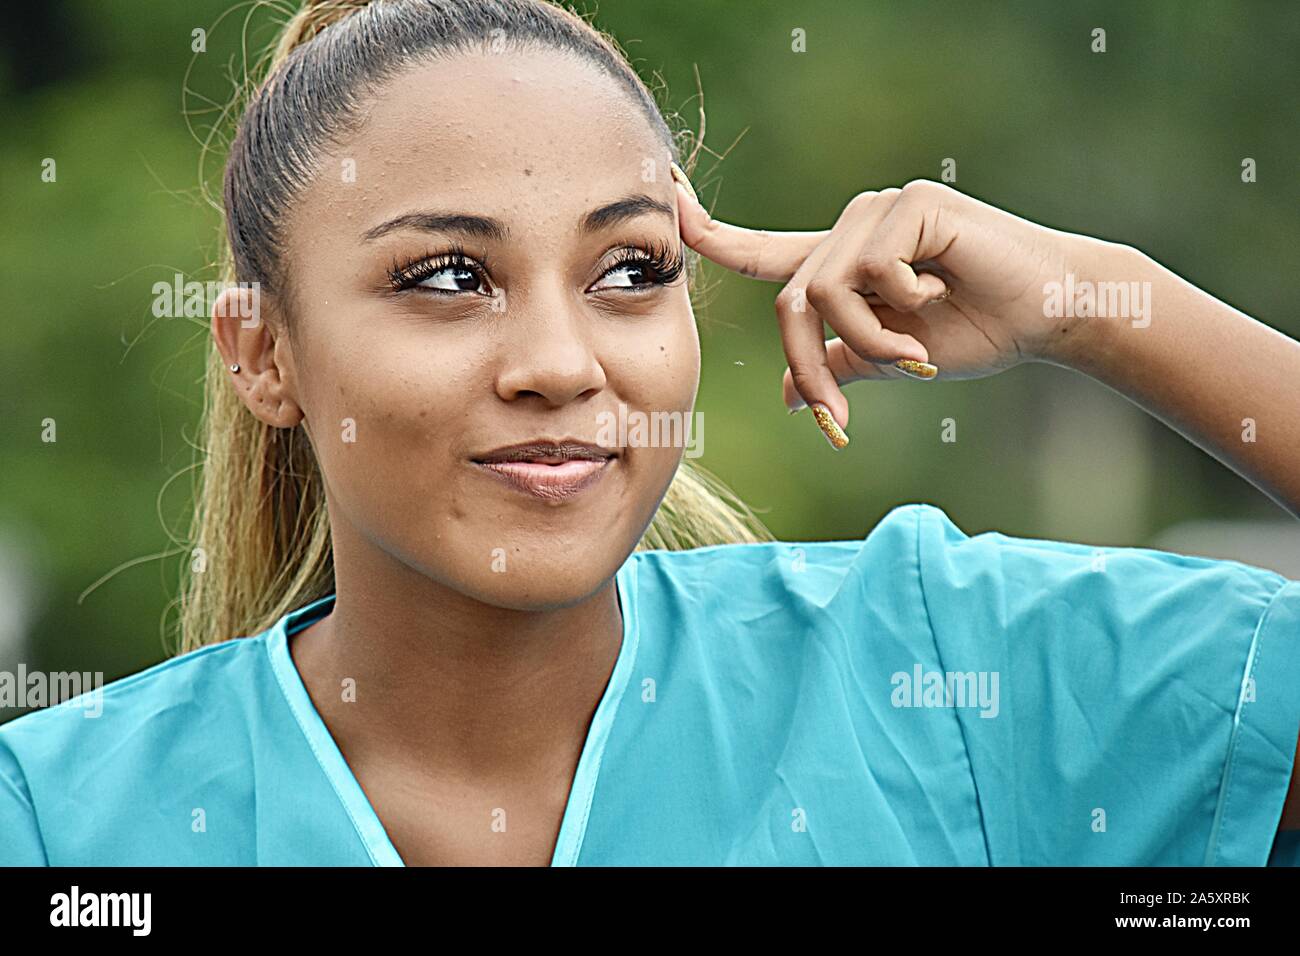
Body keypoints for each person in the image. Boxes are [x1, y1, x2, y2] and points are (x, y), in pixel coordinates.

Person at [1, 0, 1296, 867]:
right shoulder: (59, 822)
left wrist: (1103, 308)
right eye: (447, 276)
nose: (562, 364)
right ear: (263, 355)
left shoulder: (940, 670)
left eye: (628, 269)